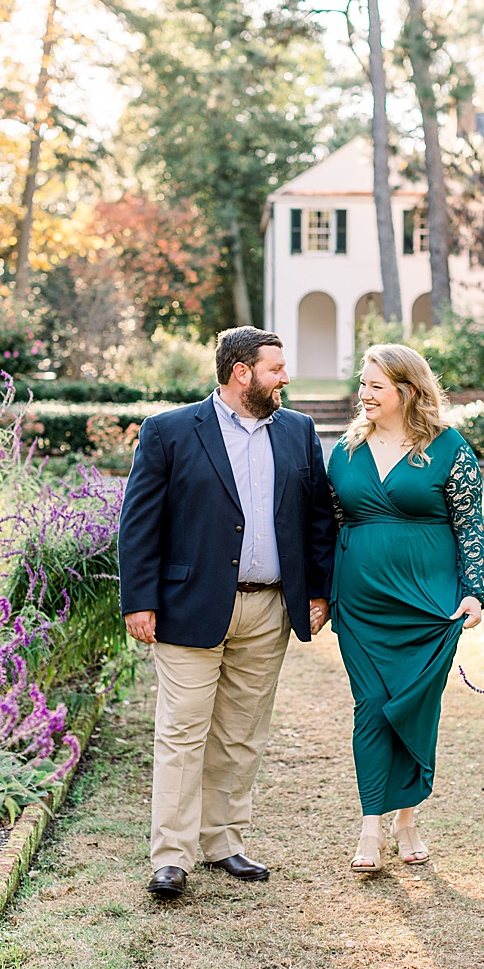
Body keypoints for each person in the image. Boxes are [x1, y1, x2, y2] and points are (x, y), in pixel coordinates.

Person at [117, 327, 338, 901]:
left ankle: (224, 843)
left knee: (242, 734)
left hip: (268, 609)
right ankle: (171, 857)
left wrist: (317, 592)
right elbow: (140, 523)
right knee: (183, 733)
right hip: (187, 608)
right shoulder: (169, 431)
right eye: (275, 369)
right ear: (242, 372)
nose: (284, 378)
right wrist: (138, 600)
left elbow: (317, 519)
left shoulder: (298, 431)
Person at [327, 344, 484, 873]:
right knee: (370, 704)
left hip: (427, 603)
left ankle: (407, 818)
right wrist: (320, 596)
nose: (364, 394)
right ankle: (371, 824)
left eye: (376, 386)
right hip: (361, 600)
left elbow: (469, 525)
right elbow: (327, 526)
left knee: (415, 704)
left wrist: (474, 590)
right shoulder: (345, 451)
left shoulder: (448, 448)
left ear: (408, 390)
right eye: (363, 384)